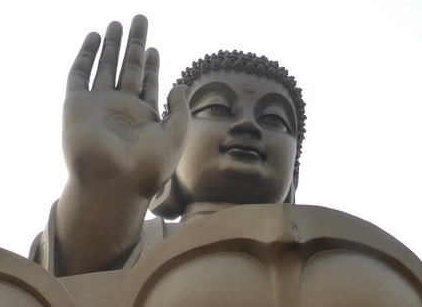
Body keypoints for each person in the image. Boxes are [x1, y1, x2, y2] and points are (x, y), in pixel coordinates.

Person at [30, 15, 306, 276]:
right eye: (217, 108)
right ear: (172, 153)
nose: (247, 124)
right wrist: (103, 193)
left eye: (274, 118)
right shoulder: (143, 244)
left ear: (294, 170)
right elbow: (69, 289)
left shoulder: (325, 250)